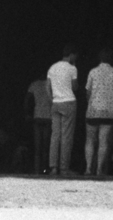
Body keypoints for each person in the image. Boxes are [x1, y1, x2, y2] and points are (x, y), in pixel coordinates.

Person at [83, 49, 113, 176]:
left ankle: (88, 168)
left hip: (93, 110)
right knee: (103, 141)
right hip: (109, 111)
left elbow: (88, 92)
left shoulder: (93, 72)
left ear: (99, 59)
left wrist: (91, 103)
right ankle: (99, 169)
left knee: (90, 140)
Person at [46, 46, 79, 176]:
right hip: (69, 102)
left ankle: (53, 167)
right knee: (66, 136)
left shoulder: (52, 67)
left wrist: (52, 100)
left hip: (56, 102)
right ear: (71, 55)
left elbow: (47, 86)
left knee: (55, 136)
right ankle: (64, 168)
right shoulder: (72, 68)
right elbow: (75, 87)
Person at [23, 72, 52, 173]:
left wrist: (27, 113)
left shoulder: (34, 84)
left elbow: (27, 99)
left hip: (37, 116)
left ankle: (36, 170)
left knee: (37, 146)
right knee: (45, 146)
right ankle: (44, 169)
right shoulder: (51, 84)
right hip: (48, 116)